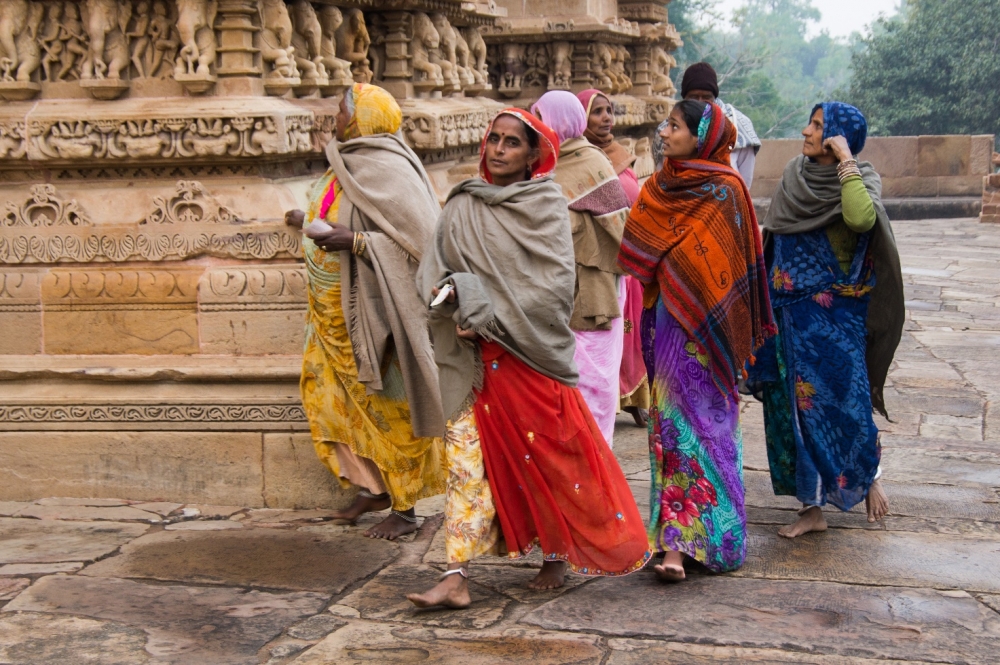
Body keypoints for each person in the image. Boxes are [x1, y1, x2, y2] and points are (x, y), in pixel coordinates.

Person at [407, 108, 651, 609]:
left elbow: (553, 289)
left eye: (511, 142)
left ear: (533, 154)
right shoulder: (461, 204)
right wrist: (454, 297)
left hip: (529, 356)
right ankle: (455, 574)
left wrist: (490, 314)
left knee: (549, 458)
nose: (498, 149)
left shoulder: (544, 205)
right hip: (473, 361)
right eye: (493, 140)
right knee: (465, 464)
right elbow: (436, 269)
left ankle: (556, 551)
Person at [618, 100, 774, 582]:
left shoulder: (727, 192)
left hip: (709, 333)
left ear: (702, 136)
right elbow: (635, 250)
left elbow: (740, 270)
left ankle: (701, 542)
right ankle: (670, 539)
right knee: (669, 428)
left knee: (706, 428)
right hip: (664, 324)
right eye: (666, 124)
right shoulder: (660, 184)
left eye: (675, 126)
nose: (665, 132)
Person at [284, 83, 446, 541]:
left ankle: (407, 505)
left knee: (389, 409)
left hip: (375, 318)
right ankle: (373, 486)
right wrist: (306, 219)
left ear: (364, 118)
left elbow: (421, 244)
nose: (334, 115)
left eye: (342, 109)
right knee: (331, 401)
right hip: (330, 315)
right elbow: (346, 210)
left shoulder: (389, 168)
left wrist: (354, 242)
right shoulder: (346, 158)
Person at [746, 102, 903, 538]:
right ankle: (811, 508)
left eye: (818, 126)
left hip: (835, 317)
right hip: (787, 313)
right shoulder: (796, 177)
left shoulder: (859, 177)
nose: (807, 131)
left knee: (844, 403)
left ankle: (866, 476)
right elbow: (775, 240)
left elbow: (860, 218)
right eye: (811, 124)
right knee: (792, 411)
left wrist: (847, 162)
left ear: (838, 134)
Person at [530, 90, 631, 446]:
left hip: (593, 294)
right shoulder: (540, 166)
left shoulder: (592, 164)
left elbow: (622, 234)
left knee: (594, 385)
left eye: (542, 118)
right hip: (553, 294)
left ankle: (596, 465)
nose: (537, 127)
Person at [577, 88, 651, 428]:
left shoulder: (621, 155)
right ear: (579, 118)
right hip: (596, 263)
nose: (606, 118)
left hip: (629, 258)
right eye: (597, 112)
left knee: (631, 333)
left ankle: (635, 398)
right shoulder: (579, 161)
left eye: (609, 111)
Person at [653, 62, 761, 188]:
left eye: (706, 97)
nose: (700, 103)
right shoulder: (666, 129)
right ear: (684, 97)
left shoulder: (738, 126)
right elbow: (661, 174)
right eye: (693, 97)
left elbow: (745, 182)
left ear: (714, 97)